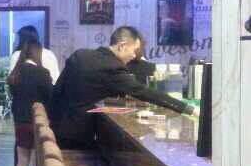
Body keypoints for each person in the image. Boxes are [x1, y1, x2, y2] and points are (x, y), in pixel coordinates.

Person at [51, 25, 199, 148]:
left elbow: (57, 90)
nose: (135, 56)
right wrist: (188, 109)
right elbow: (144, 92)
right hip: (78, 140)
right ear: (122, 46)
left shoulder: (80, 54)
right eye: (134, 50)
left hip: (55, 130)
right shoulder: (112, 67)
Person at [7, 36, 53, 166]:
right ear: (37, 53)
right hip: (37, 121)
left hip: (20, 121)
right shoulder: (43, 73)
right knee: (36, 163)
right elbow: (50, 96)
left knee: (22, 161)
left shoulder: (15, 74)